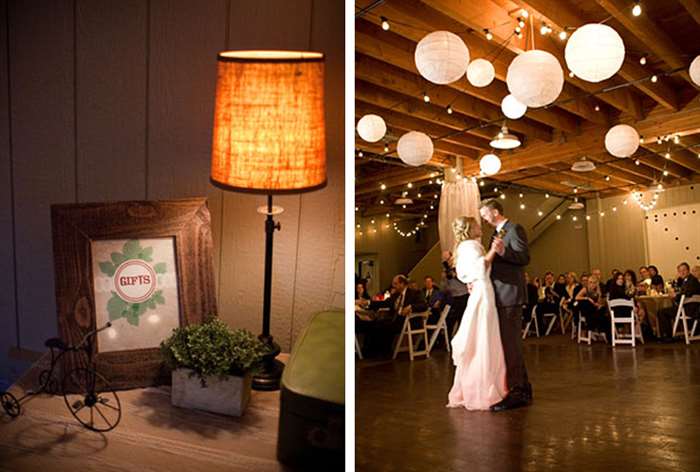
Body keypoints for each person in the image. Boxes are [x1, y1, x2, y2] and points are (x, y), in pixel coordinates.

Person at [447, 216, 507, 411]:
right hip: (483, 291)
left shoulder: (465, 246)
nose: (479, 226)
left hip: (481, 289)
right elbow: (480, 268)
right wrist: (493, 251)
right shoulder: (471, 246)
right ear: (469, 229)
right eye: (475, 224)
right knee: (484, 338)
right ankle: (483, 388)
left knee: (481, 337)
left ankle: (478, 385)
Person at [479, 198, 532, 411]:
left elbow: (524, 257)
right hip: (501, 295)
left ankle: (517, 392)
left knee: (511, 345)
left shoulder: (514, 229)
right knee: (510, 345)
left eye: (484, 214)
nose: (483, 218)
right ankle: (525, 388)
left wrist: (503, 252)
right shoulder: (497, 232)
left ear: (494, 211)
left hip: (510, 295)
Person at [657, 263, 700, 342]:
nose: (682, 273)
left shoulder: (692, 280)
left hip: (690, 309)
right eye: (680, 271)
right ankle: (668, 335)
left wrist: (675, 296)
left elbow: (686, 294)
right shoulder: (687, 280)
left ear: (688, 270)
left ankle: (667, 336)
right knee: (666, 310)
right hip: (689, 308)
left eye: (684, 270)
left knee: (661, 312)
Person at [442, 252, 469, 337]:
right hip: (453, 298)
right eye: (444, 260)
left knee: (463, 320)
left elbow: (467, 281)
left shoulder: (460, 267)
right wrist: (444, 279)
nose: (446, 261)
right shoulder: (445, 272)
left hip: (463, 296)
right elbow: (444, 289)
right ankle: (449, 341)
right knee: (450, 320)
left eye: (447, 259)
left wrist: (456, 276)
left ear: (452, 258)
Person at [576, 275, 610, 340]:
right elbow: (577, 297)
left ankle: (595, 329)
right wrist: (587, 298)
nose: (592, 284)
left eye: (594, 282)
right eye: (590, 282)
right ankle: (598, 330)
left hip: (594, 308)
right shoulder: (585, 289)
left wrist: (598, 305)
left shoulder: (598, 290)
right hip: (586, 308)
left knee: (603, 310)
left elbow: (598, 301)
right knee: (589, 305)